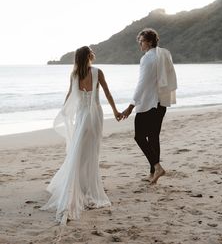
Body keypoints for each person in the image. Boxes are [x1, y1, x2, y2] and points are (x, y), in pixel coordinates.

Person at [41, 46, 122, 224]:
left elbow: (70, 95)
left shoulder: (74, 74)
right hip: (95, 116)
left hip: (82, 115)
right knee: (91, 151)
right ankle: (85, 186)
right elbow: (107, 93)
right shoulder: (98, 72)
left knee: (79, 150)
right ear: (89, 56)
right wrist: (116, 111)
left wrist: (64, 112)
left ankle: (80, 183)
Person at [122, 28, 177, 184]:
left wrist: (131, 105)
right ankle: (153, 173)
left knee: (139, 136)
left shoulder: (147, 58)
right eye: (139, 41)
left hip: (149, 104)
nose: (140, 44)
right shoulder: (164, 55)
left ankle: (157, 167)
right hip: (162, 102)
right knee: (153, 136)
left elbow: (142, 84)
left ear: (150, 42)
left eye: (142, 41)